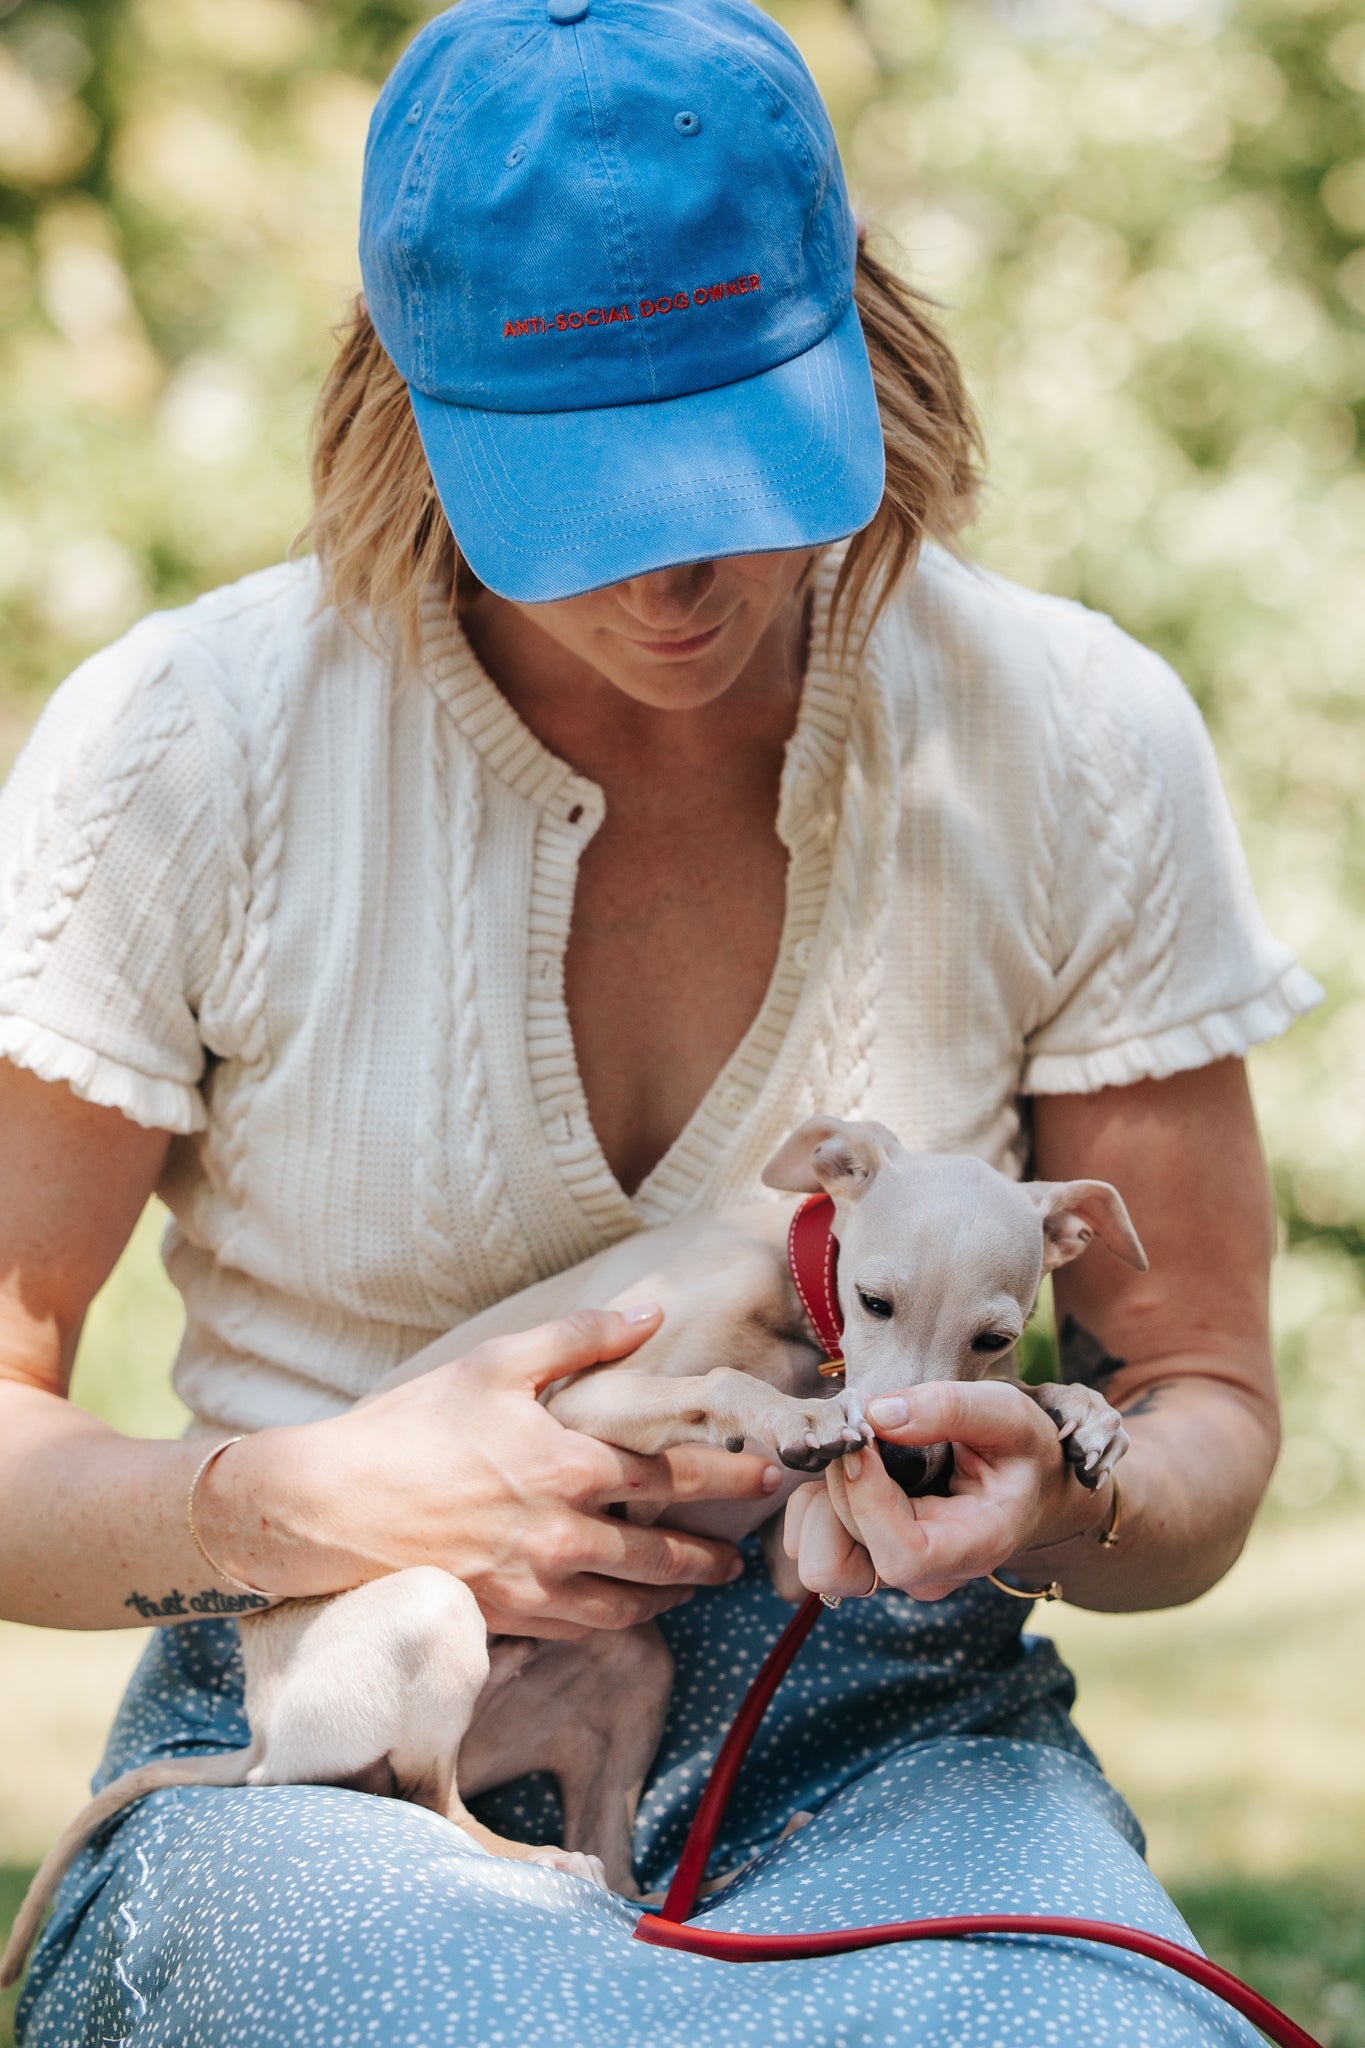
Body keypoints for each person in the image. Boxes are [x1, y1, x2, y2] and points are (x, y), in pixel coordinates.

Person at [0, 1, 1321, 2042]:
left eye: (731, 448)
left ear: (859, 343)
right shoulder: (188, 751)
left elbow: (1200, 1395)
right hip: (352, 1726)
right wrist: (310, 1498)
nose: (675, 574)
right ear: (405, 404)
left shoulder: (1064, 736)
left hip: (889, 1726)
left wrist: (1069, 1494)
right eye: (578, 493)